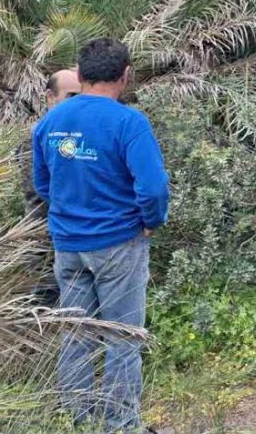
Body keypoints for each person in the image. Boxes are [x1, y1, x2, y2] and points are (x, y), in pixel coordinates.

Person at [33, 38, 171, 434]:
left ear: (79, 74)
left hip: (68, 246)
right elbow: (153, 188)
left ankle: (73, 418)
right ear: (125, 76)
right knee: (122, 337)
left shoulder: (51, 122)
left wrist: (74, 210)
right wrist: (151, 220)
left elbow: (43, 184)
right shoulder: (129, 122)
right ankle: (121, 424)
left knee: (76, 333)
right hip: (119, 245)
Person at [15, 68, 83, 305]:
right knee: (45, 302)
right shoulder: (35, 135)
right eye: (71, 96)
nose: (77, 103)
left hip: (78, 234)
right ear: (50, 97)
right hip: (44, 235)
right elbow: (36, 189)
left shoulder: (83, 132)